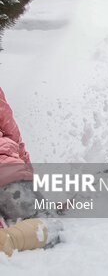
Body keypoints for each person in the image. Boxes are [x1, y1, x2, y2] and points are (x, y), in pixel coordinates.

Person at [0, 87, 61, 257]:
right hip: (6, 174)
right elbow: (13, 135)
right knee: (49, 224)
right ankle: (8, 240)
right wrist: (29, 180)